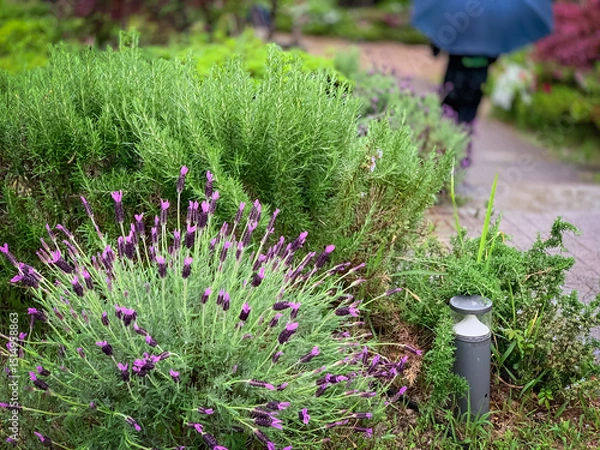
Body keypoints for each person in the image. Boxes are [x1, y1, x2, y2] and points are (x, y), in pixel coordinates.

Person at [433, 44, 497, 124]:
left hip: (463, 79)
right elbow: (494, 56)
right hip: (468, 79)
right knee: (453, 115)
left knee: (451, 116)